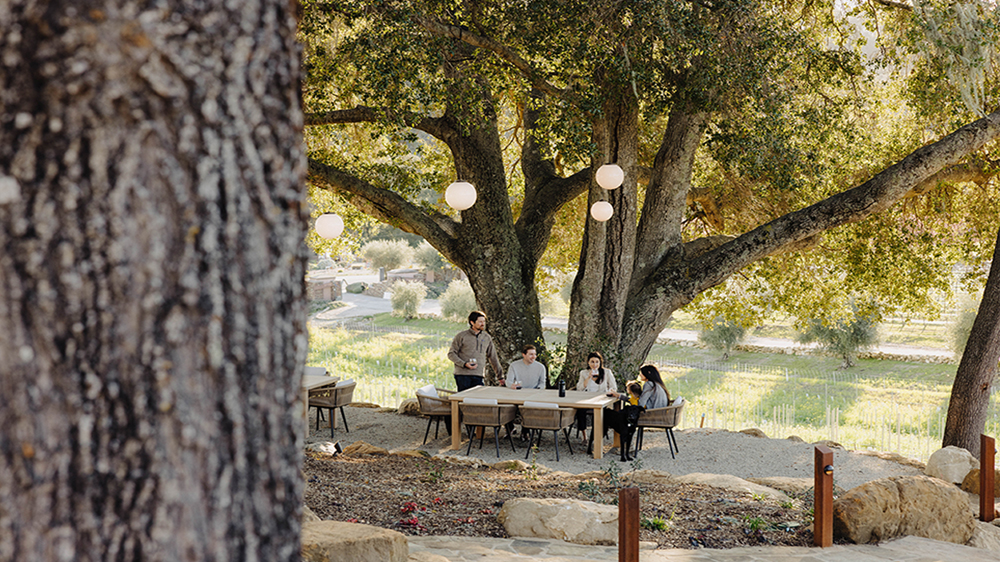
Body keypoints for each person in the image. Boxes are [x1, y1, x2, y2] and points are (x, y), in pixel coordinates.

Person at [447, 310, 501, 392]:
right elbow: (451, 354)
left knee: (477, 400)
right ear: (472, 322)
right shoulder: (461, 336)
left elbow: (493, 357)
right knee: (464, 400)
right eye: (480, 322)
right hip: (462, 375)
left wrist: (500, 377)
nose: (483, 324)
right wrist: (464, 364)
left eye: (484, 321)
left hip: (478, 374)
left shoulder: (487, 337)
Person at [574, 351, 618, 441]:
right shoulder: (583, 373)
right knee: (580, 410)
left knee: (601, 412)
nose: (595, 364)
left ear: (600, 362)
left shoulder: (607, 372)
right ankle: (584, 436)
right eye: (592, 362)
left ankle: (596, 437)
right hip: (587, 400)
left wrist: (607, 393)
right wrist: (588, 378)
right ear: (588, 362)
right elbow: (579, 388)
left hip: (601, 400)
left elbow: (614, 387)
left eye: (597, 362)